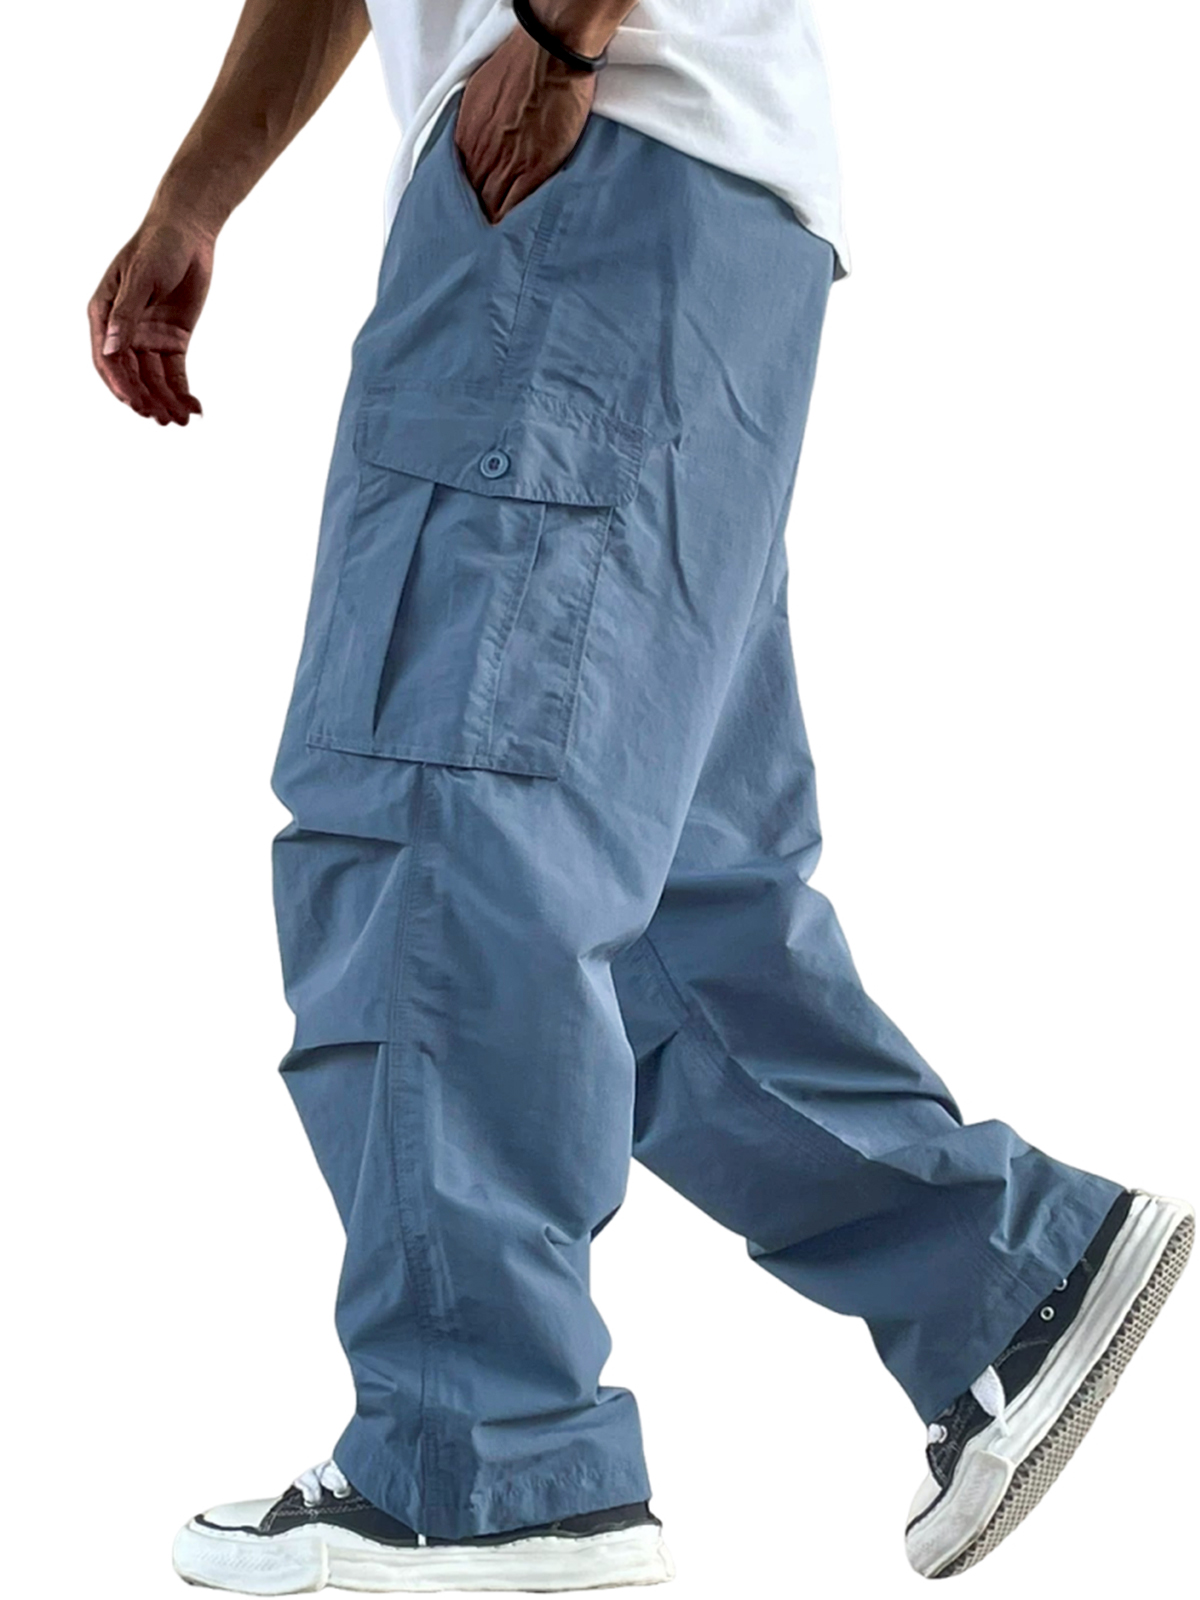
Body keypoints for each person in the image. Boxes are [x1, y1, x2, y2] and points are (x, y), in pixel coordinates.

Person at [88, 2, 1193, 1592]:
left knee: (440, 826)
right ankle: (1000, 1275)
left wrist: (558, 29)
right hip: (685, 216)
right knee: (673, 899)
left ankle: (480, 1462)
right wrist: (195, 196)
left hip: (581, 171)